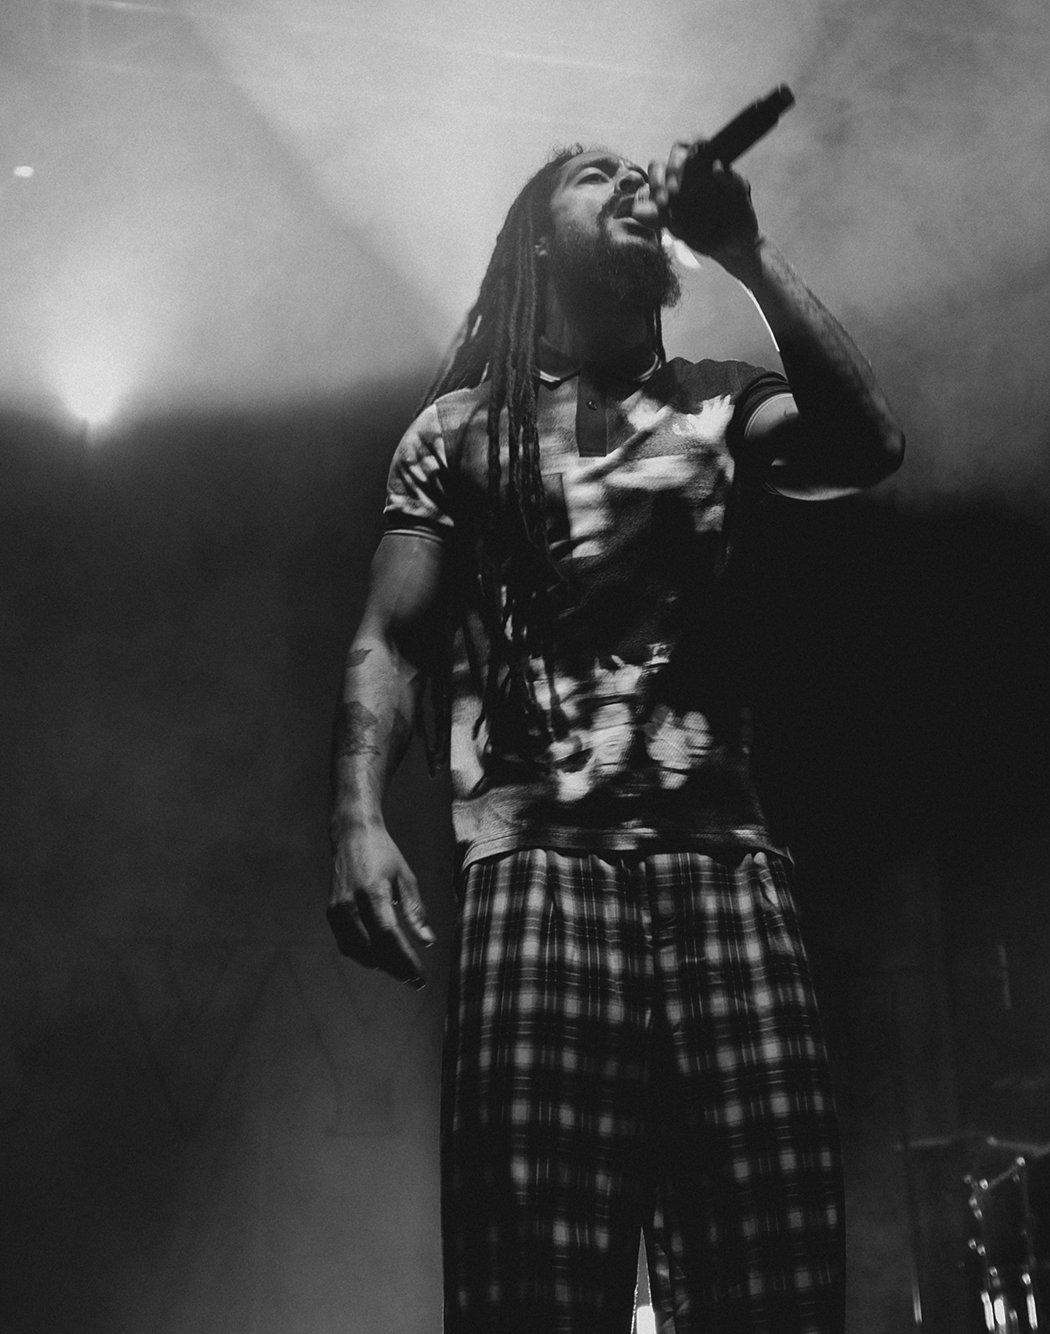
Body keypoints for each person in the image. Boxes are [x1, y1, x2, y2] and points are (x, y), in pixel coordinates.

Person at [325, 135, 904, 1334]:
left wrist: (744, 250)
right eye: (595, 175)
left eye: (639, 173)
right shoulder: (456, 430)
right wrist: (356, 814)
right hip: (536, 871)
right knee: (527, 1285)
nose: (632, 181)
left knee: (773, 1279)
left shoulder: (716, 398)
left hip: (722, 866)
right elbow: (392, 637)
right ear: (537, 240)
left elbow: (864, 449)